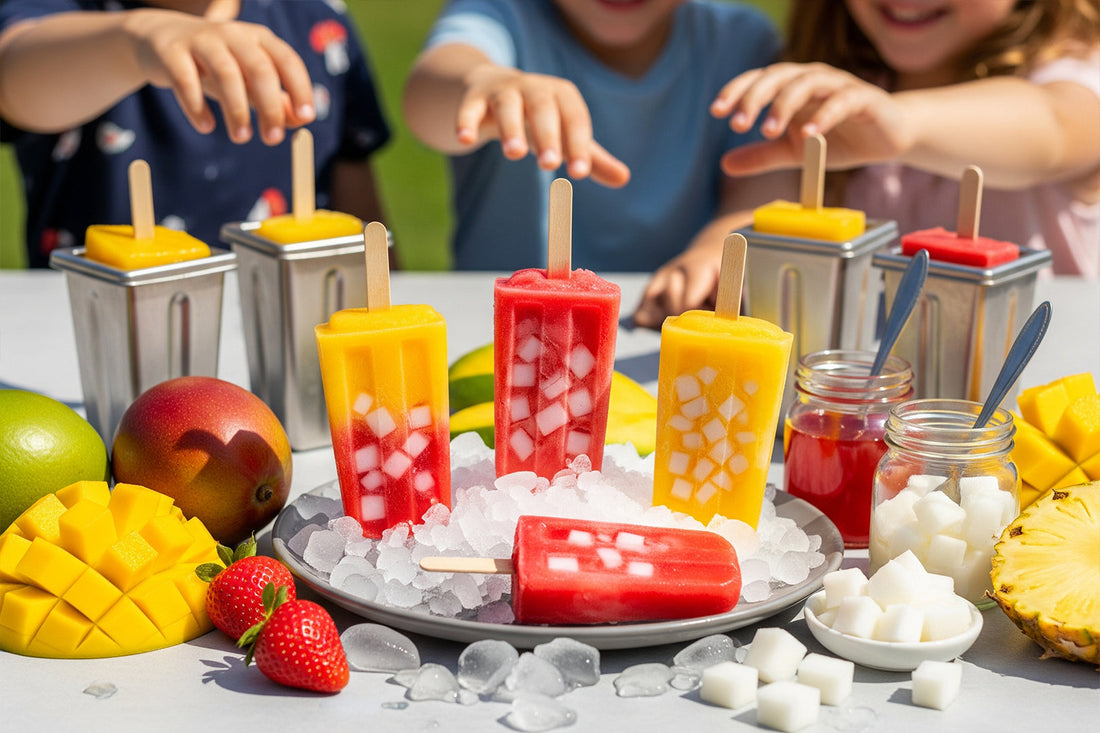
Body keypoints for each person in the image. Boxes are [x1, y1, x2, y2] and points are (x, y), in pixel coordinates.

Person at [402, 0, 790, 304]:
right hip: (500, 333)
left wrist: (714, 249)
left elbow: (763, 182)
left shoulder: (742, 41)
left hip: (660, 326)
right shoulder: (499, 15)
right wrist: (483, 84)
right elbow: (426, 98)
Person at [712, 0, 1100, 278]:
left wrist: (902, 122)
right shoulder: (833, 84)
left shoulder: (1074, 74)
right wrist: (717, 251)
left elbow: (1057, 125)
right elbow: (768, 188)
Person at [0, 0, 391, 269]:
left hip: (294, 338)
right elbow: (14, 74)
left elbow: (357, 202)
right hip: (99, 341)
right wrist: (139, 38)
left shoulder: (316, 19)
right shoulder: (63, 17)